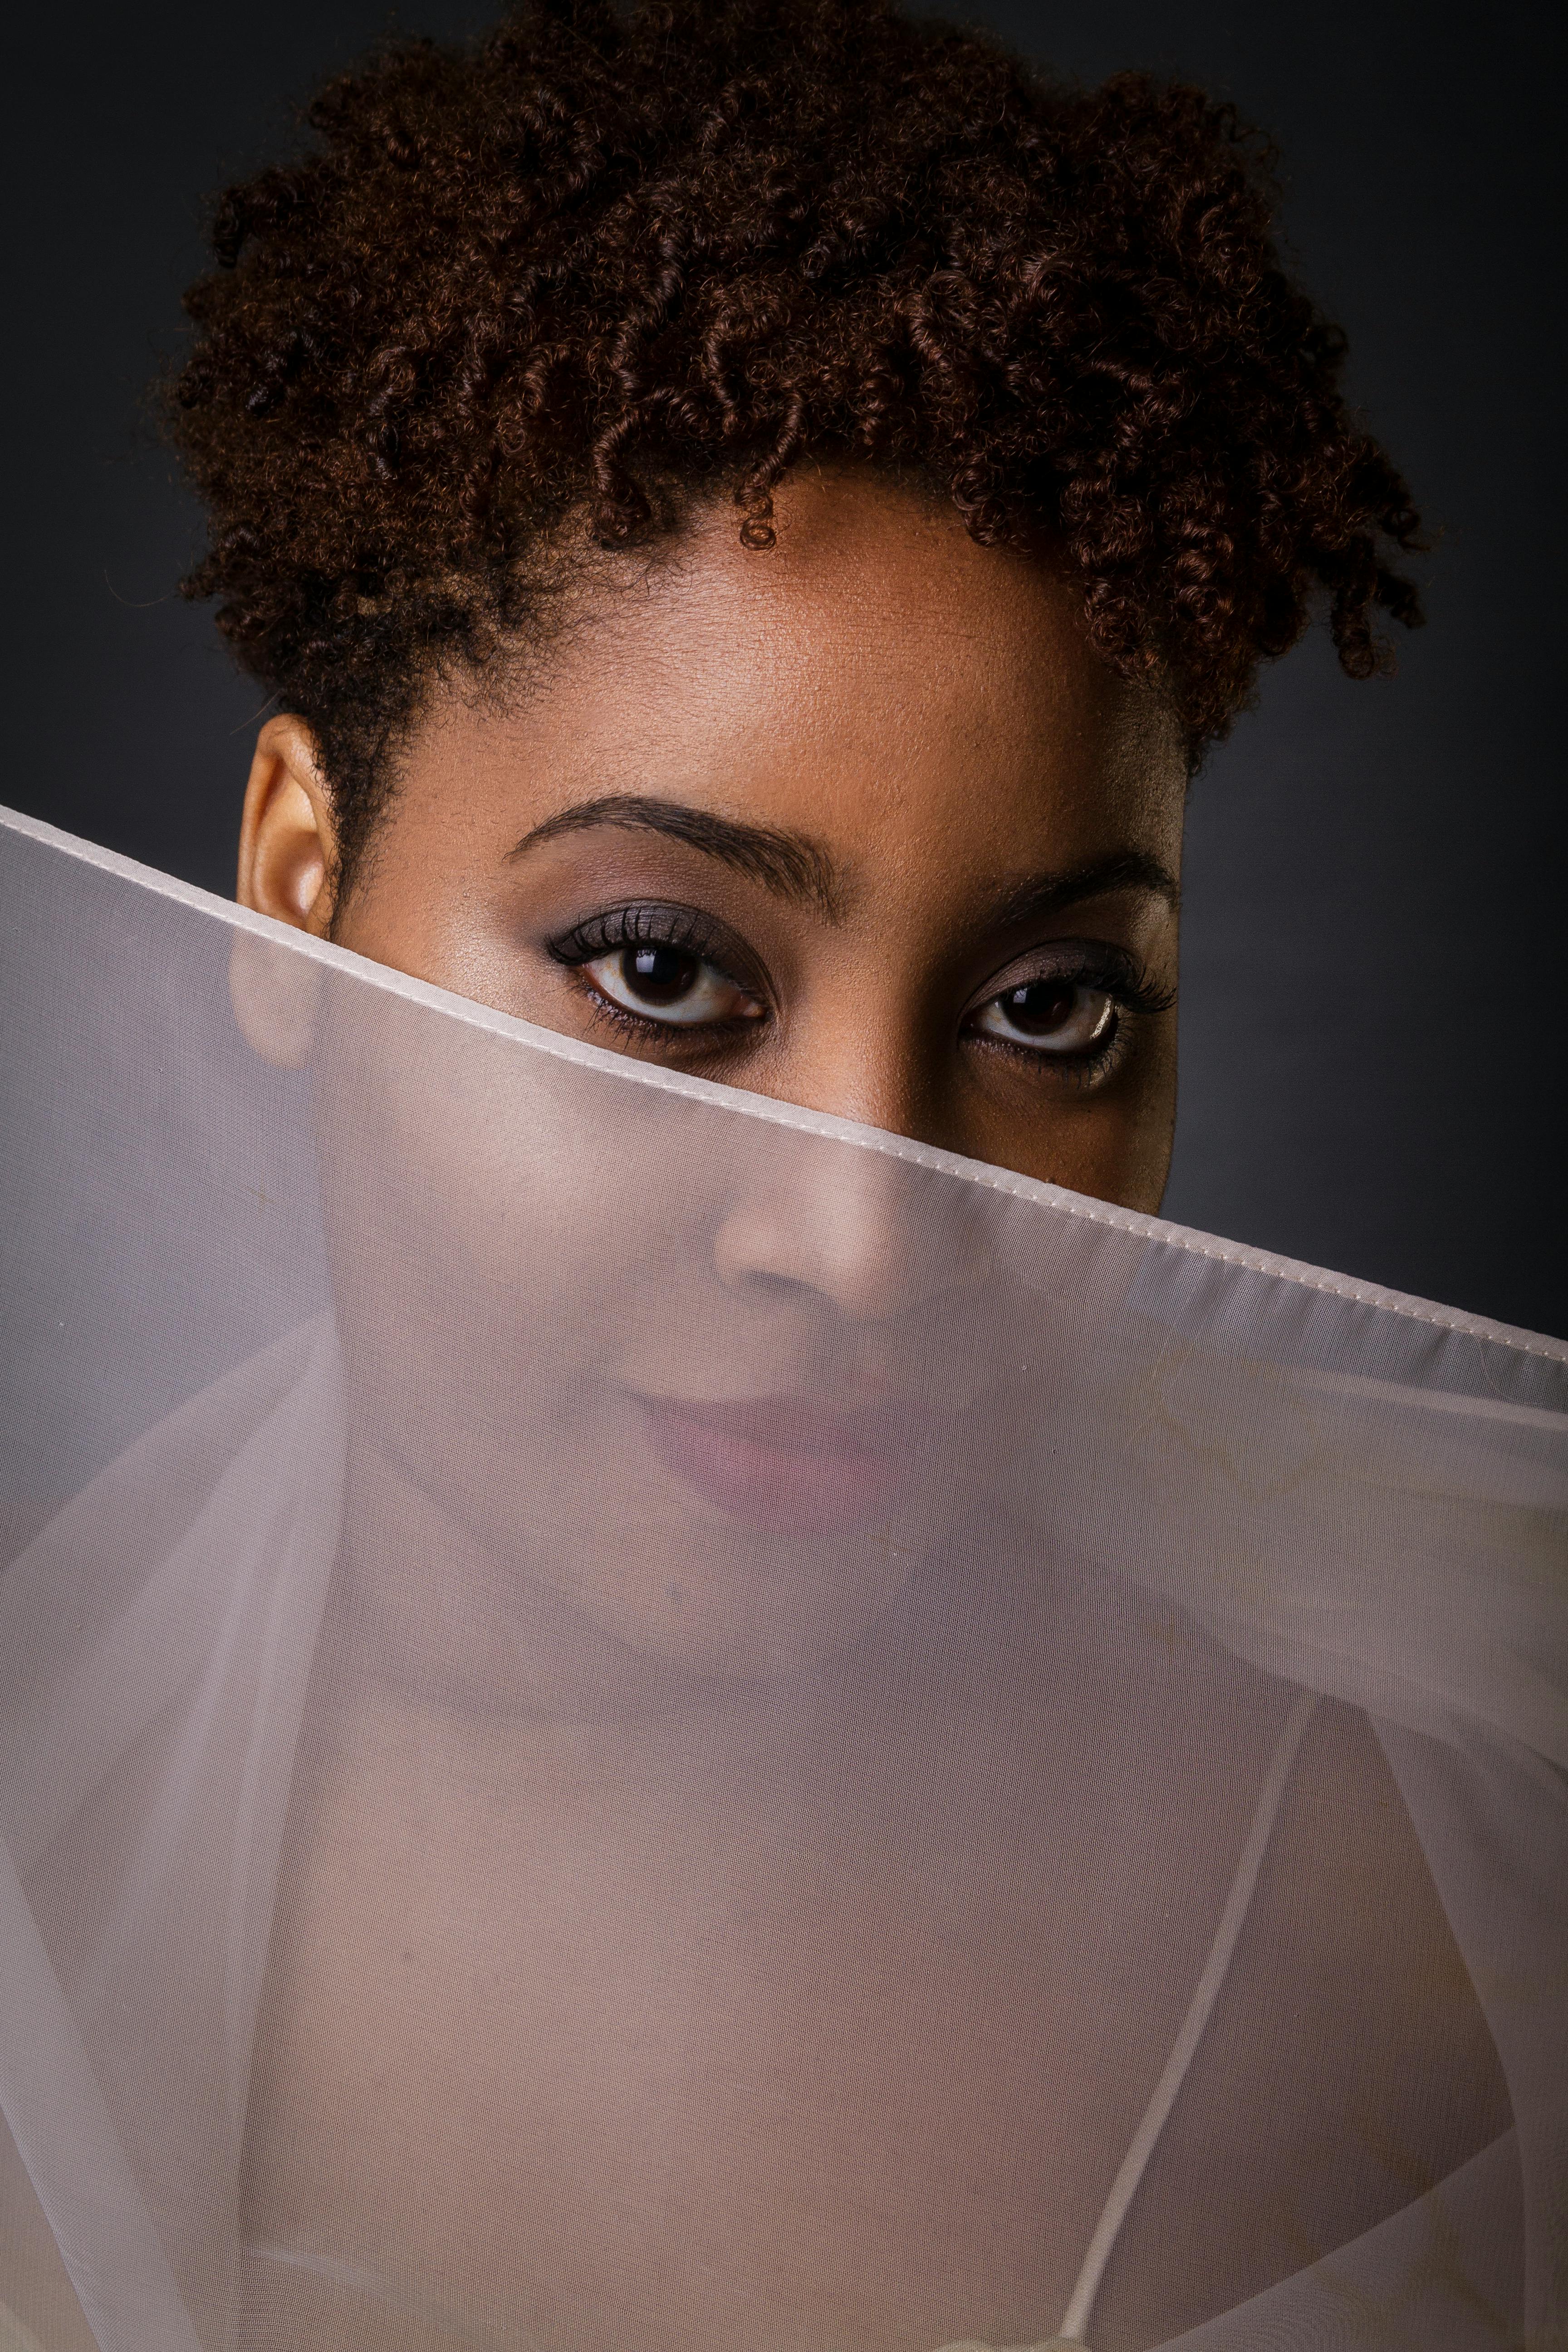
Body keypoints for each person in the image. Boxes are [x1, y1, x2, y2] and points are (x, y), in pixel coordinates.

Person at [1, 5, 1562, 2351]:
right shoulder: (45, 1839)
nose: (866, 1239)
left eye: (1053, 1011)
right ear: (295, 892)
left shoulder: (1446, 1911)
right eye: (660, 969)